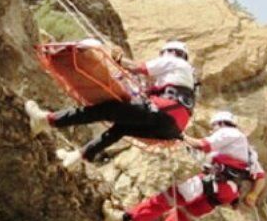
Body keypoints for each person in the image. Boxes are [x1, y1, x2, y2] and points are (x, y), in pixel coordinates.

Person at [103, 110, 266, 221]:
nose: (212, 130)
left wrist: (180, 135)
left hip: (212, 181)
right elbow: (260, 176)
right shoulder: (250, 152)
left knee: (166, 198)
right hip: (225, 193)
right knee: (183, 216)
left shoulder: (229, 133)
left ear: (220, 123)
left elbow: (203, 145)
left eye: (213, 127)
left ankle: (120, 219)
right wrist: (253, 195)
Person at [25, 40, 196, 168]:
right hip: (171, 129)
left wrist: (119, 59)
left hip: (164, 113)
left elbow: (137, 68)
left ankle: (47, 120)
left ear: (171, 52)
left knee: (107, 109)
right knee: (121, 127)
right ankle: (78, 157)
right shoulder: (185, 78)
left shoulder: (175, 62)